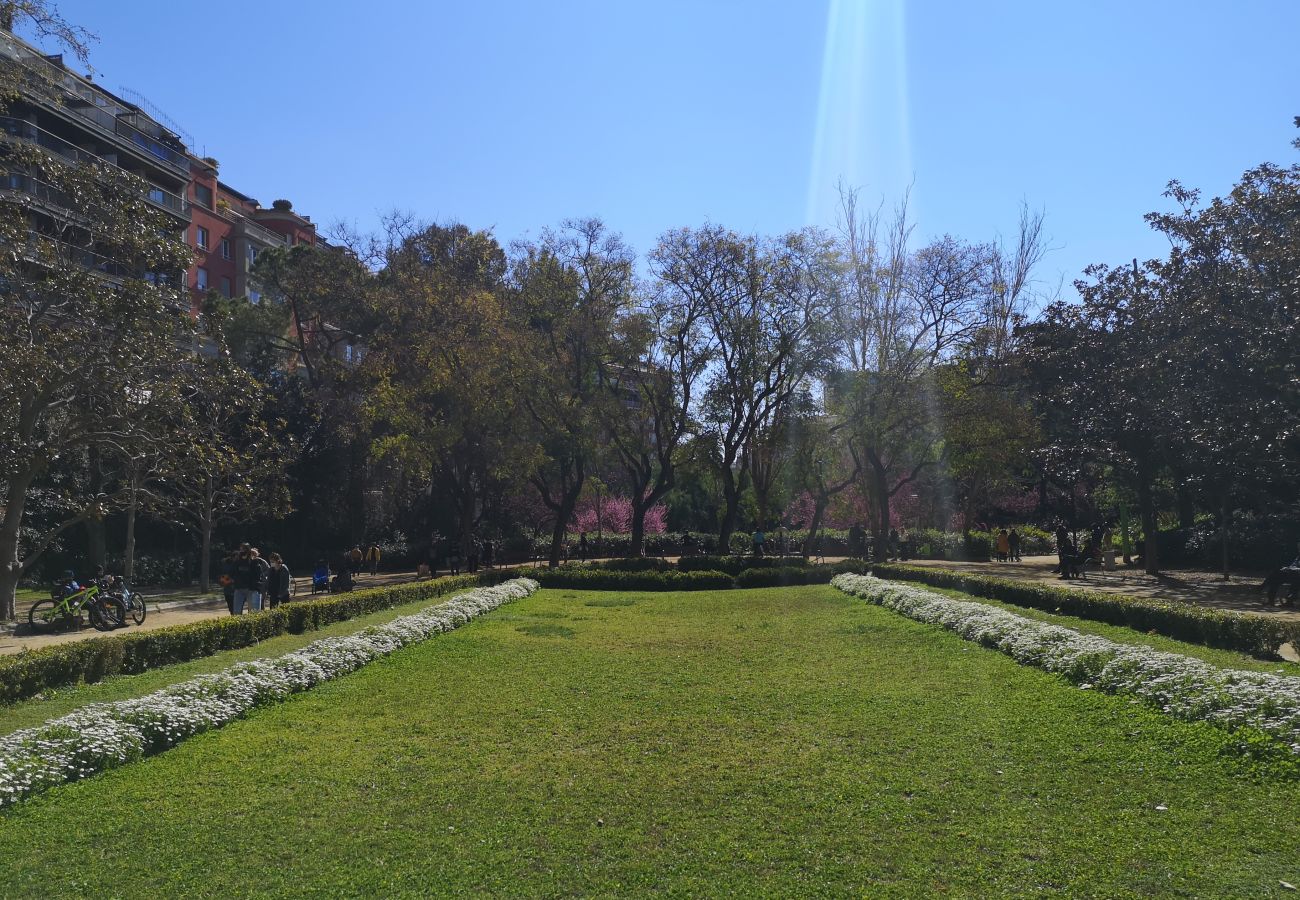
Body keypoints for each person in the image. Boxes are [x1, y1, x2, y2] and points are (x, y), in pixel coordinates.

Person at [231, 547, 266, 614]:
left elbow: (260, 576)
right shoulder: (238, 562)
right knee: (237, 611)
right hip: (240, 588)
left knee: (254, 611)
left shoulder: (257, 562)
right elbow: (233, 573)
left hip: (252, 589)